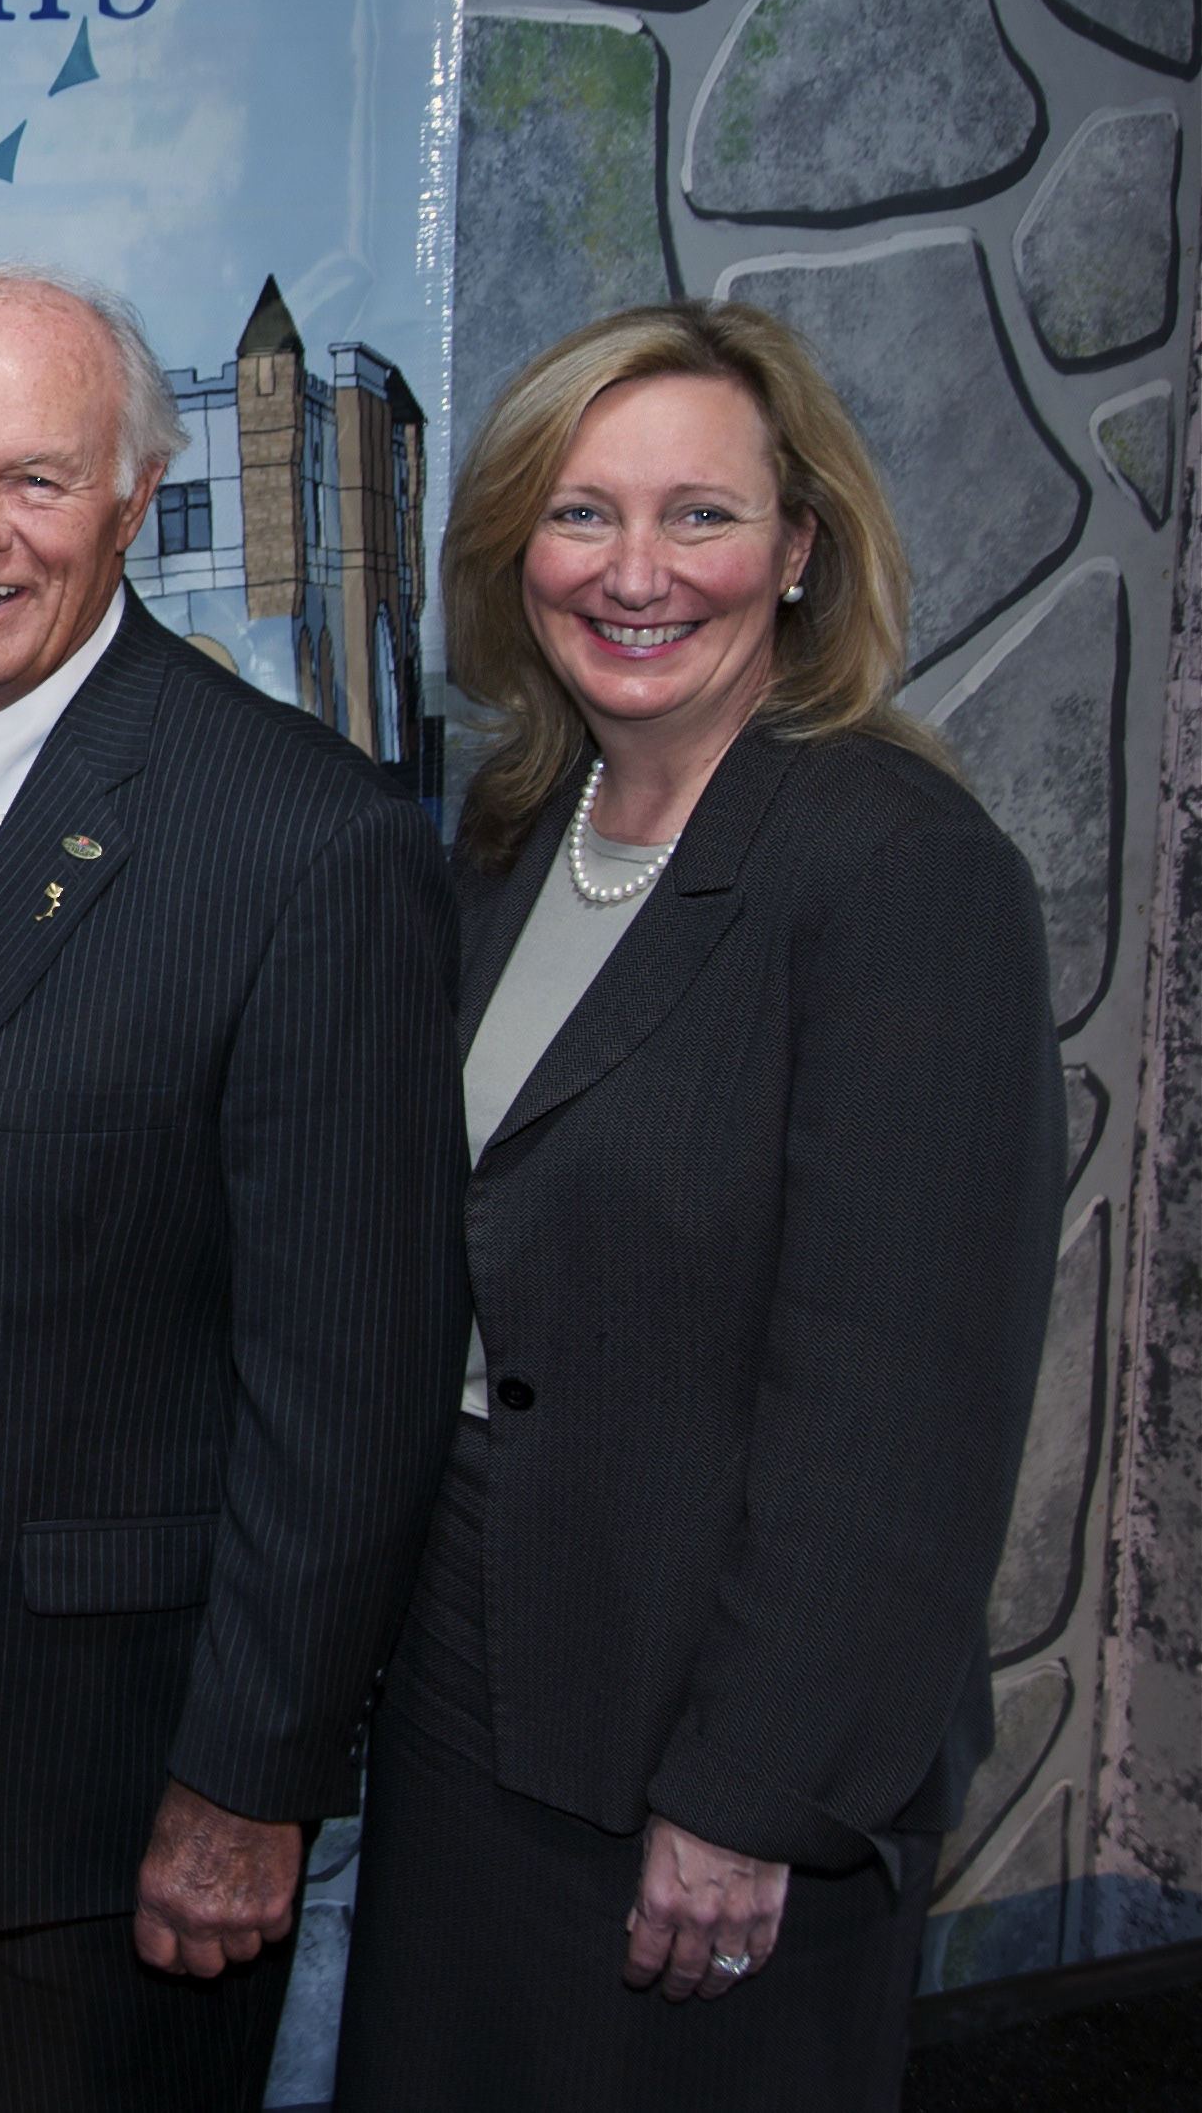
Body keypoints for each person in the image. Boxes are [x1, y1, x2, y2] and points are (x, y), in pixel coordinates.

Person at [0, 264, 463, 2110]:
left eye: (34, 479)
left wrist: (248, 1784)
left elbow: (351, 1381)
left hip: (104, 1816)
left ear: (137, 494)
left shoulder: (304, 843)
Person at [333, 302, 1063, 2110]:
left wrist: (753, 1793)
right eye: (580, 514)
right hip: (472, 1695)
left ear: (797, 548)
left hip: (709, 1747)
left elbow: (901, 1412)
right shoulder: (517, 834)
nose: (635, 572)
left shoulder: (898, 875)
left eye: (699, 516)